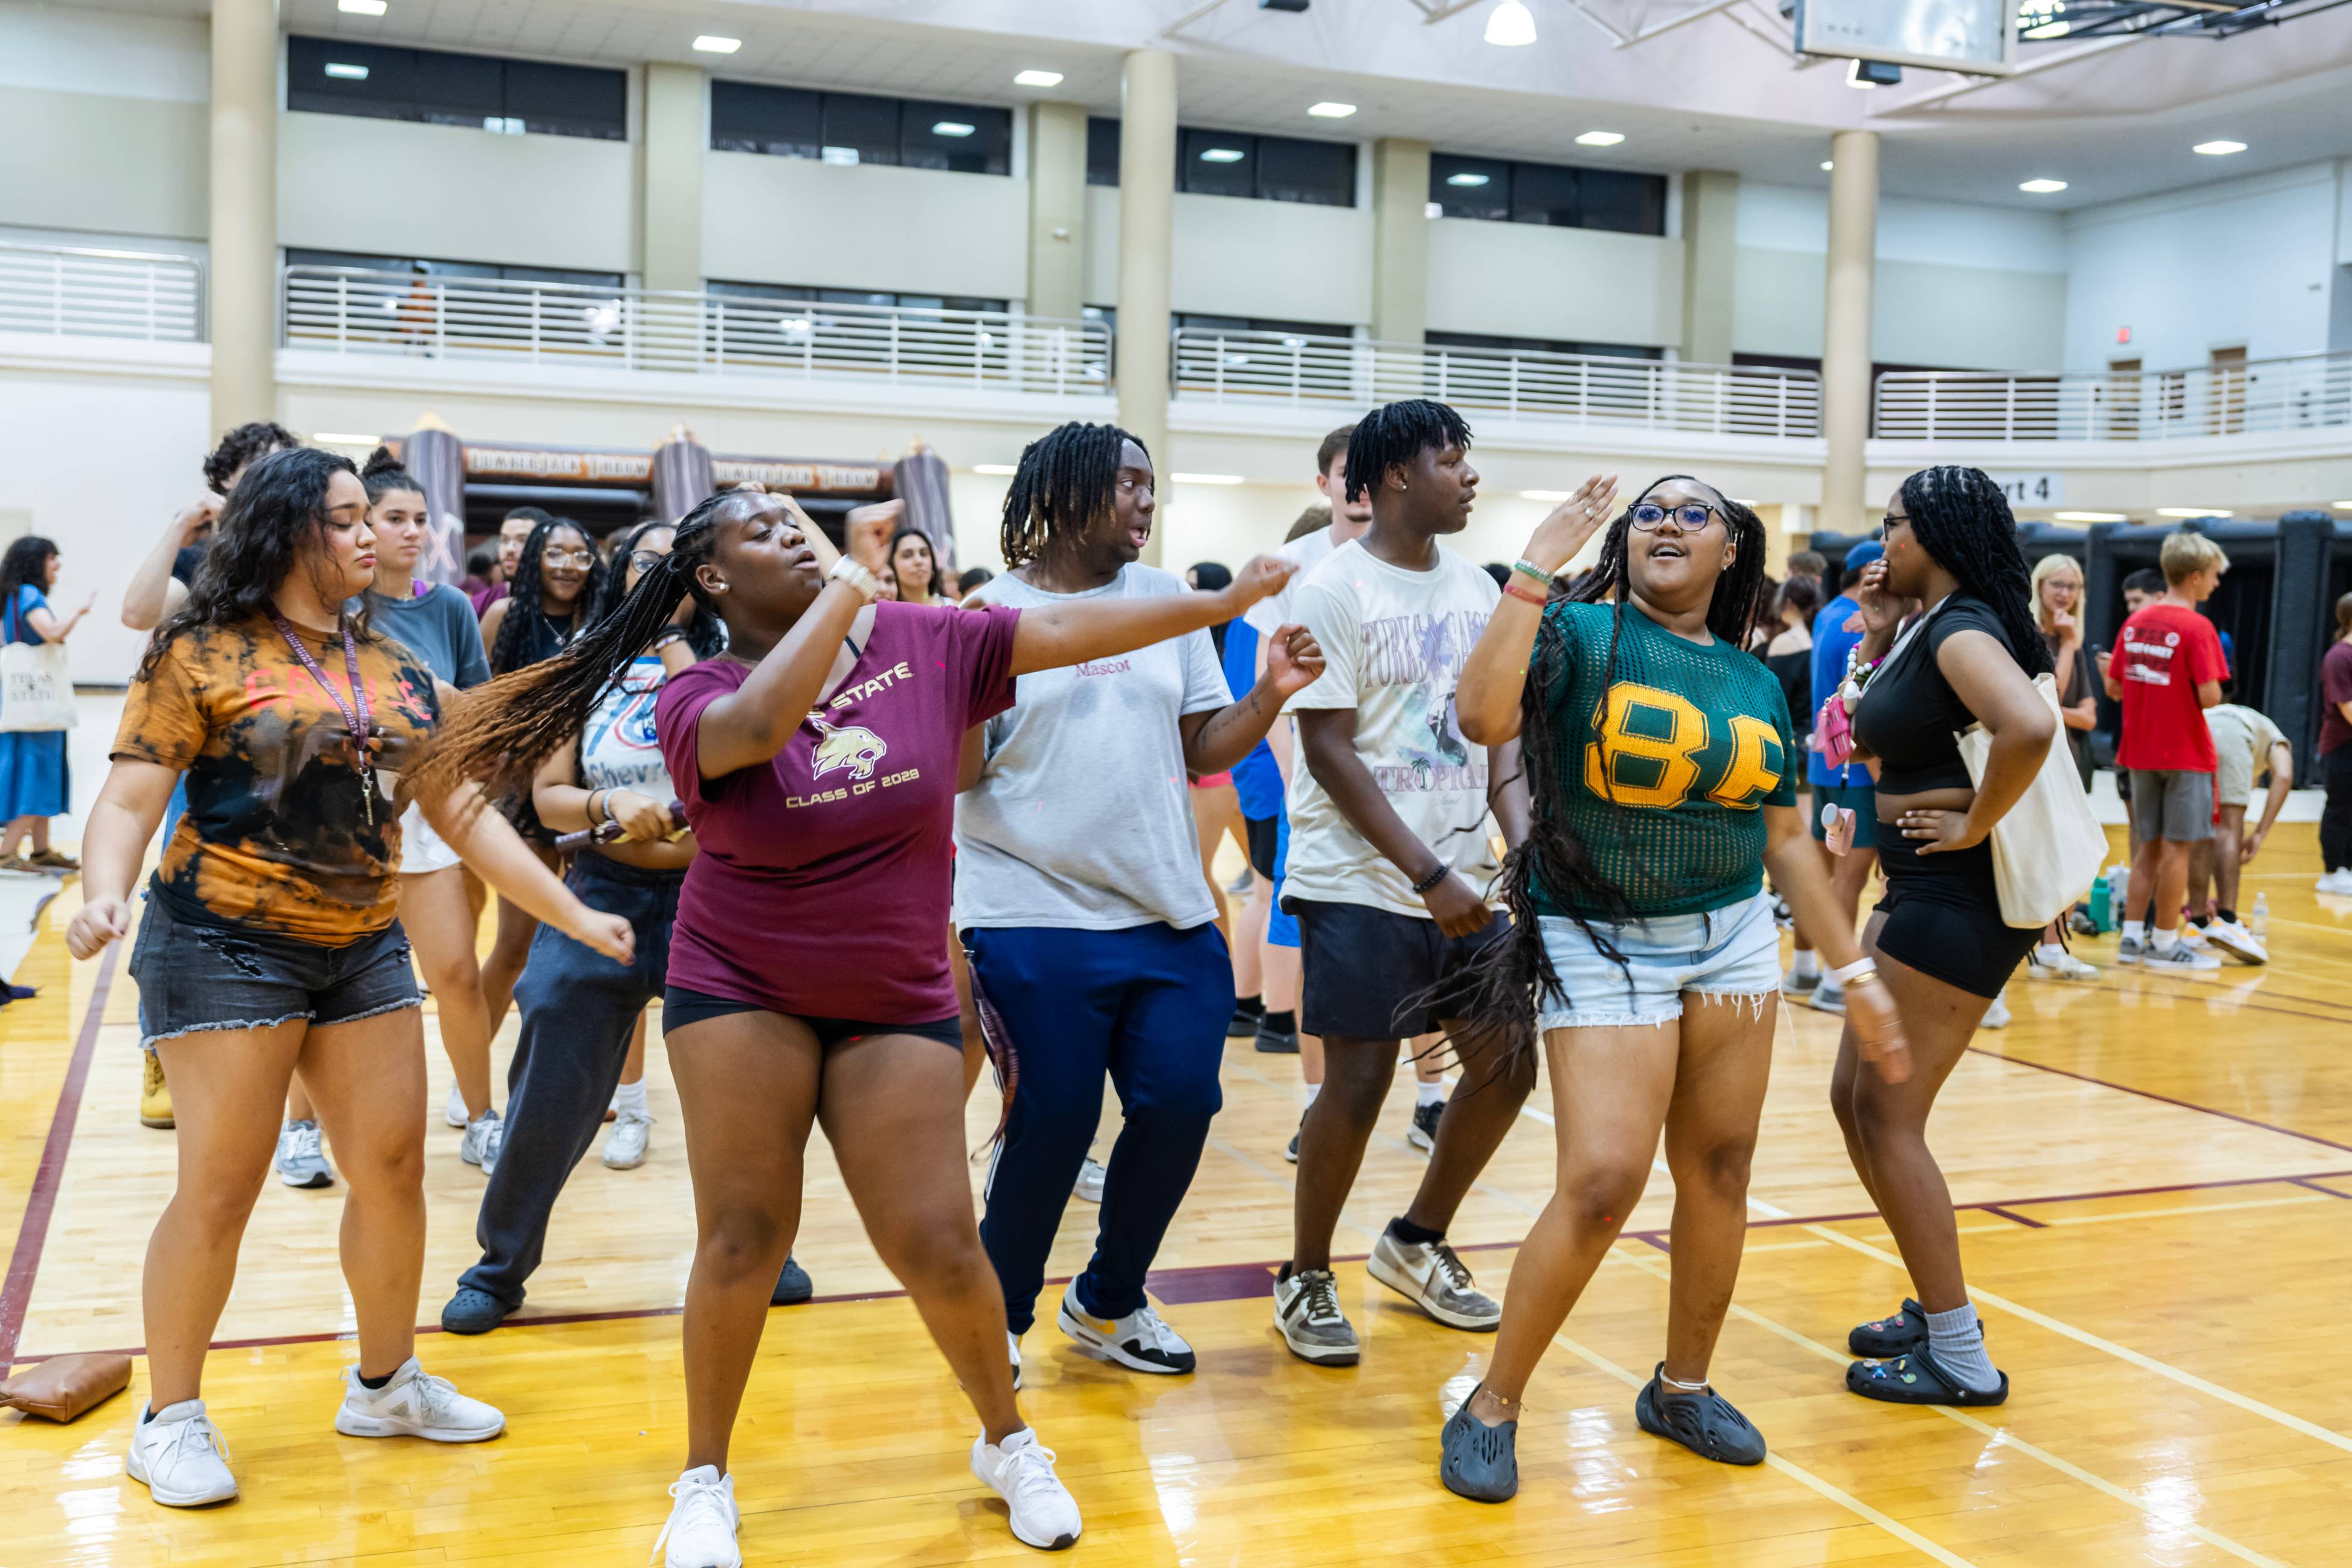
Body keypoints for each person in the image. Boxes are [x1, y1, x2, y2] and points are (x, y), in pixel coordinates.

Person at [409, 479, 1299, 1563]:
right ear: (711, 577)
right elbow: (755, 726)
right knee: (743, 1234)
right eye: (760, 528)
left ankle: (1006, 1441)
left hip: (893, 988)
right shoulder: (696, 689)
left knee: (931, 1237)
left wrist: (1216, 607)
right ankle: (703, 1478)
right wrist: (846, 592)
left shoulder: (929, 642)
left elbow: (1063, 626)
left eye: (800, 519)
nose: (793, 529)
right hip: (740, 982)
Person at [66, 446, 634, 1510]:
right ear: (290, 535)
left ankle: (384, 1382)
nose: (370, 534)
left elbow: (460, 812)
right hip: (221, 942)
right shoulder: (201, 649)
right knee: (221, 1186)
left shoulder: (395, 665)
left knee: (393, 1168)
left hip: (361, 943)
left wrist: (568, 910)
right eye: (345, 519)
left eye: (370, 519)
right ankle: (170, 1417)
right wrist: (101, 889)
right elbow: (130, 798)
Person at [1434, 474, 1907, 1500]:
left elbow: (1782, 838)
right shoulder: (1572, 633)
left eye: (1692, 513)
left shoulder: (1748, 679)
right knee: (1603, 1179)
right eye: (1646, 510)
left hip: (1732, 938)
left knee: (1722, 1167)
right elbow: (1478, 719)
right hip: (1598, 937)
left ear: (1732, 548)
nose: (1664, 523)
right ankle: (1492, 1399)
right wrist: (1531, 570)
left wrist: (1855, 973)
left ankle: (1680, 1387)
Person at [957, 426, 1323, 1384]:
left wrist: (1272, 694)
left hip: (1166, 912)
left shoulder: (1166, 598)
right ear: (1065, 490)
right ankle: (997, 1314)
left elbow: (1204, 745)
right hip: (1029, 904)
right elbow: (960, 775)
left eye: (1149, 486)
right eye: (1124, 484)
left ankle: (1109, 1299)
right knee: (1057, 1114)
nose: (1143, 501)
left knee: (1179, 1103)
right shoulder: (989, 614)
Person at [439, 516, 810, 1333]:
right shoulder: (587, 667)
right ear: (624, 576)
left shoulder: (742, 666)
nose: (666, 577)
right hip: (603, 889)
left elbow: (771, 768)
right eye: (649, 562)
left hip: (719, 898)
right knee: (549, 1088)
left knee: (747, 1094)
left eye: (682, 565)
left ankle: (767, 1249)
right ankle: (499, 1268)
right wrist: (611, 804)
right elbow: (549, 798)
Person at [1273, 399, 1534, 1368]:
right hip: (1361, 879)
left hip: (1465, 880)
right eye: (1451, 460)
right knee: (1359, 1081)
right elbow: (1330, 751)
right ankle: (1304, 1273)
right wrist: (1425, 873)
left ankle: (1414, 1240)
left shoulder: (1477, 588)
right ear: (1393, 478)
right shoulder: (1333, 590)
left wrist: (1523, 844)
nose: (1469, 476)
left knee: (1508, 1060)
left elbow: (1494, 733)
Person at [1833, 465, 2058, 1407]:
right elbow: (1889, 732)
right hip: (1919, 881)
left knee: (1888, 1115)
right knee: (1855, 1099)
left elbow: (2029, 725)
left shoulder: (1965, 628)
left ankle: (1959, 1351)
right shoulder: (1930, 623)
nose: (1881, 542)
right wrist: (1882, 636)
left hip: (1957, 892)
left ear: (1937, 533)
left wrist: (1974, 823)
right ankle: (1935, 1311)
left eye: (1893, 526)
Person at [119, 422, 301, 1135]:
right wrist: (180, 524)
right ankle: (162, 1047)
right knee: (178, 895)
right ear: (224, 483)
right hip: (200, 755)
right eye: (257, 471)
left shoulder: (304, 562)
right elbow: (136, 611)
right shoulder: (200, 560)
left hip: (282, 758)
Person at [330, 448, 502, 1184]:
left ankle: (482, 1118)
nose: (410, 532)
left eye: (420, 520)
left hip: (428, 810)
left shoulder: (452, 608)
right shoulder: (333, 609)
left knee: (457, 972)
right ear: (360, 526)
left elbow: (478, 712)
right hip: (339, 821)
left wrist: (417, 683)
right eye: (393, 518)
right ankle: (302, 1130)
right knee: (328, 981)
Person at [476, 515, 610, 1049]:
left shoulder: (603, 618)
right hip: (523, 797)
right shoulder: (506, 615)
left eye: (581, 554)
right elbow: (479, 703)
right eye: (556, 553)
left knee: (589, 942)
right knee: (515, 943)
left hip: (588, 793)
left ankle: (608, 1084)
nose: (569, 565)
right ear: (533, 557)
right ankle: (471, 1074)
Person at [2099, 531, 2227, 972]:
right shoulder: (2197, 627)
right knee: (2177, 850)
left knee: (2146, 847)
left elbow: (2113, 686)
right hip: (2184, 753)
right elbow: (2210, 697)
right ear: (2193, 577)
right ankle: (2165, 943)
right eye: (2212, 576)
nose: (2214, 584)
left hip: (2138, 751)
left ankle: (2132, 939)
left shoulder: (2133, 623)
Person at [1785, 540, 1884, 1015]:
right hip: (1857, 772)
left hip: (1828, 764)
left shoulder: (1827, 615)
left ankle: (1804, 968)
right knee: (1849, 877)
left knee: (1821, 874)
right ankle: (1834, 982)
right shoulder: (1857, 626)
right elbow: (1860, 703)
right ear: (1867, 572)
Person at [2024, 552, 2100, 981]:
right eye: (2057, 584)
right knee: (2047, 859)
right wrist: (2068, 645)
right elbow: (2052, 692)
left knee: (2072, 858)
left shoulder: (2074, 639)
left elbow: (2086, 716)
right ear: (2038, 587)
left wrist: (2053, 711)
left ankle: (2052, 948)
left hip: (2068, 766)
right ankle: (2046, 950)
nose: (2065, 594)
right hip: (2035, 767)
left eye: (2072, 587)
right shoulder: (2034, 637)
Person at [0, 536, 93, 872]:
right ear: (36, 562)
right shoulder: (29, 594)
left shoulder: (12, 595)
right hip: (39, 705)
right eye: (53, 558)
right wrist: (78, 612)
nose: (57, 566)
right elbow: (51, 631)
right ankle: (7, 852)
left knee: (36, 773)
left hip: (22, 702)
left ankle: (41, 849)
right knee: (38, 775)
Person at [2191, 693, 2288, 961]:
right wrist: (2260, 833)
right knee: (2229, 829)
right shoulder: (2271, 734)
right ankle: (2226, 920)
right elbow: (2284, 775)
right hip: (2229, 737)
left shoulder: (2226, 714)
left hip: (2194, 729)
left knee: (2199, 832)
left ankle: (2196, 924)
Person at [2320, 594, 2352, 895]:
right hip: (2343, 745)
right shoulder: (2339, 657)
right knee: (2340, 806)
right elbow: (2347, 706)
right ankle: (2331, 871)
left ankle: (2347, 868)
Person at [470, 506, 552, 615]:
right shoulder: (479, 605)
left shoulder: (565, 605)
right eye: (505, 540)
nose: (510, 549)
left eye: (523, 540)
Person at [886, 523, 947, 605]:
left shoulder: (956, 609)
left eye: (924, 554)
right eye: (907, 556)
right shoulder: (885, 614)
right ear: (891, 564)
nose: (919, 561)